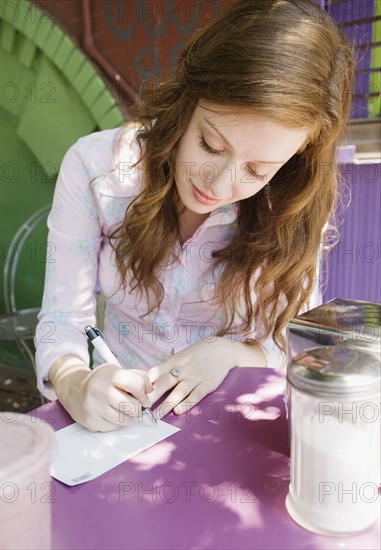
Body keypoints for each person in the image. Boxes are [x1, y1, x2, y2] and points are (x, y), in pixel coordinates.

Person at [35, 0, 355, 432]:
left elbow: (295, 341)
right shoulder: (98, 170)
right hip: (121, 424)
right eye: (210, 144)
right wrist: (74, 381)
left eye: (257, 170)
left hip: (234, 427)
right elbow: (61, 319)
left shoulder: (292, 203)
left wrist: (235, 354)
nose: (220, 185)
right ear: (187, 101)